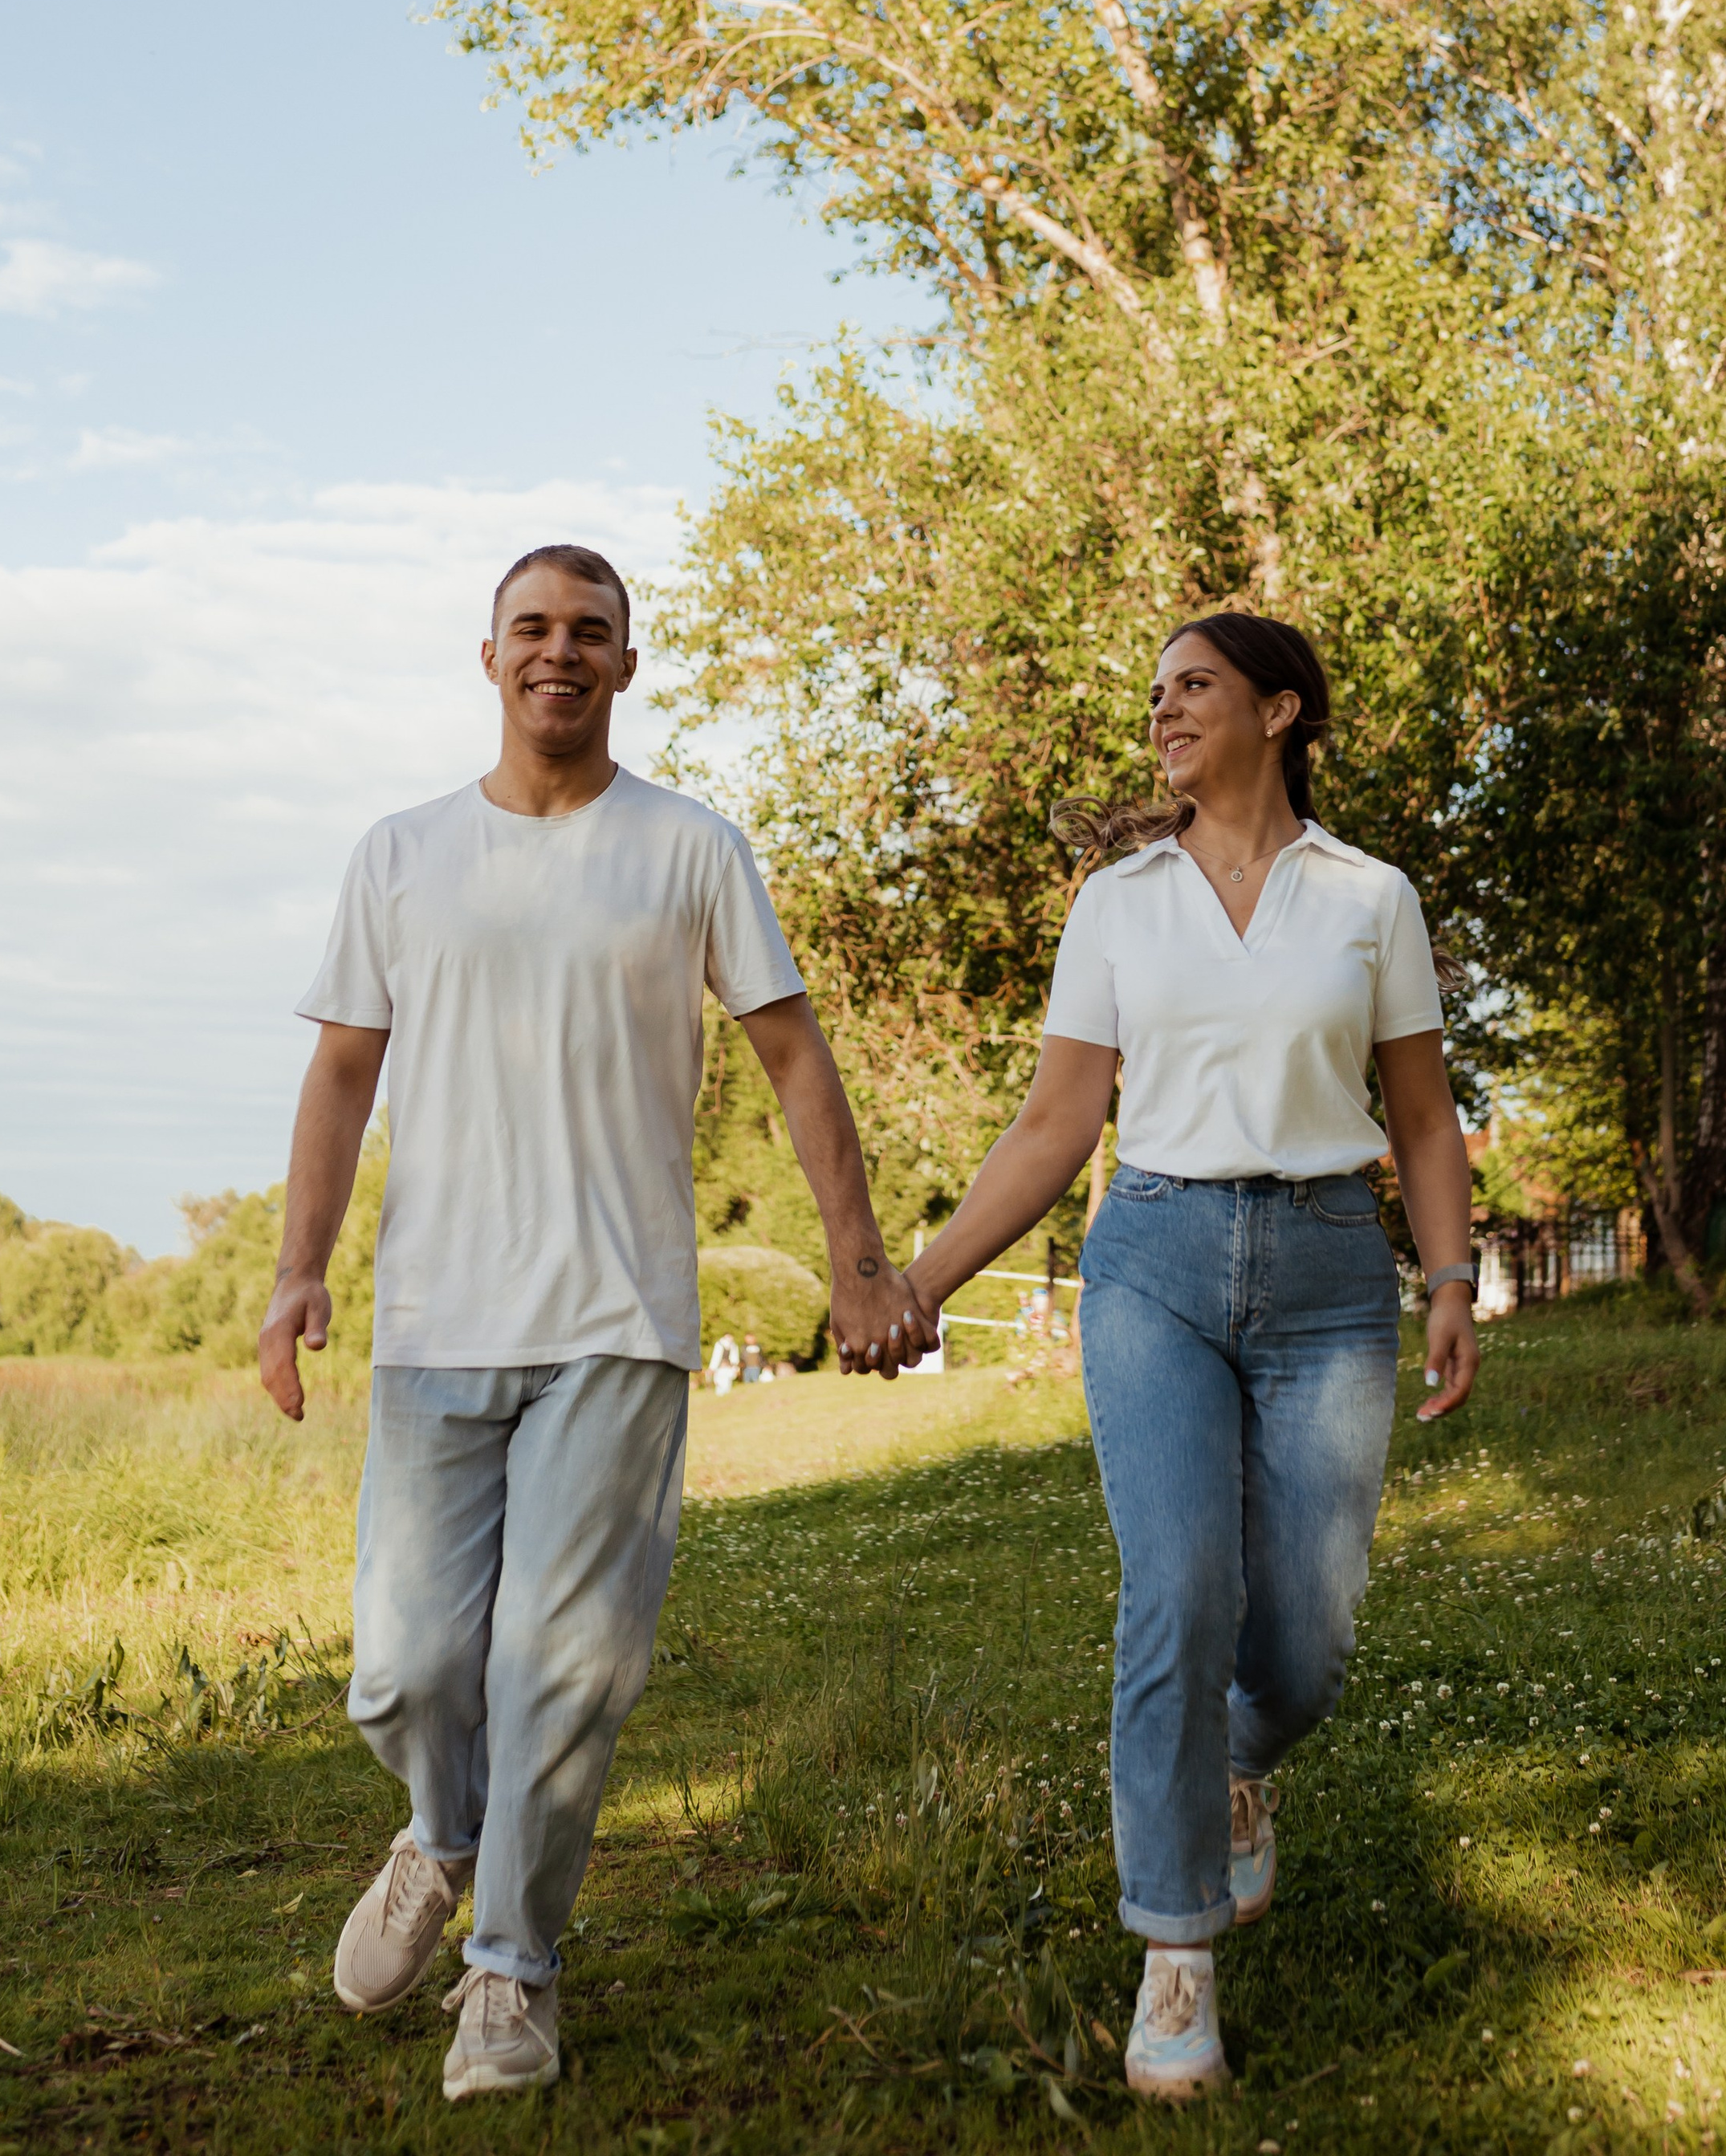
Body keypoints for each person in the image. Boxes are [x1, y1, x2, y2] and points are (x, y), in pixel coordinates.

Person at [258, 543, 933, 2104]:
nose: (559, 654)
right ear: (486, 655)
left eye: (591, 633)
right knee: (409, 1668)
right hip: (436, 1317)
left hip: (617, 1317)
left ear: (627, 665)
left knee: (563, 1668)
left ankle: (509, 1976)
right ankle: (441, 1838)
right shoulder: (401, 854)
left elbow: (795, 1058)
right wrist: (299, 1270)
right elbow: (341, 1076)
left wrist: (855, 1261)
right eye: (533, 630)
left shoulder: (689, 847)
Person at [903, 611, 1478, 2103]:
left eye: (1195, 690)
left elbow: (1421, 1118)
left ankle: (1233, 1760)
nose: (1163, 715)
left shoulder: (1372, 898)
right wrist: (920, 1279)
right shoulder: (1120, 902)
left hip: (1328, 1274)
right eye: (1155, 693)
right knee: (1178, 1588)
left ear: (1280, 711)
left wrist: (1454, 1281)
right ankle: (1176, 1955)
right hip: (1151, 1260)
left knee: (1310, 1635)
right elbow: (1053, 1126)